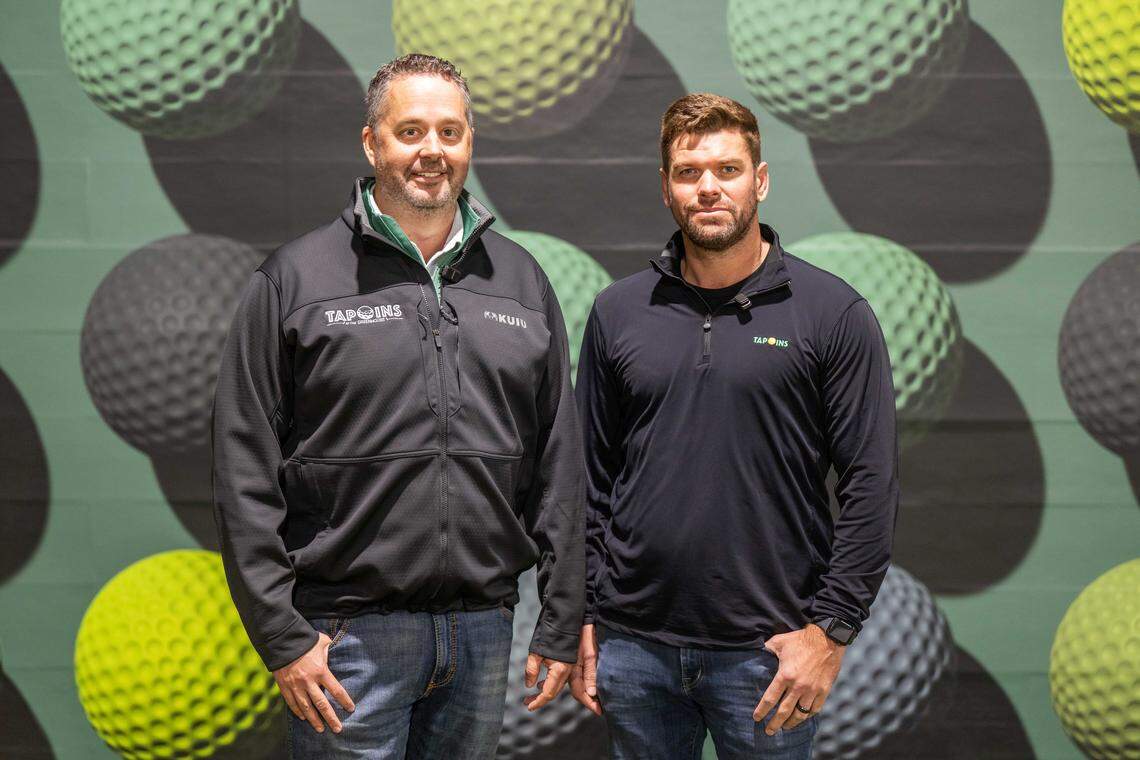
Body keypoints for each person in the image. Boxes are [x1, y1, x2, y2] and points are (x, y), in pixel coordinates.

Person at [211, 53, 584, 759]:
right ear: (371, 142)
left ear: (469, 141)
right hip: (345, 641)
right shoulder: (295, 280)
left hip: (482, 633)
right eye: (410, 131)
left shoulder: (521, 282)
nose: (431, 151)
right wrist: (282, 637)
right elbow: (242, 468)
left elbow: (558, 463)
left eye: (450, 131)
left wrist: (562, 617)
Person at [569, 93, 899, 759]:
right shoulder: (618, 312)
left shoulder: (832, 312)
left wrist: (829, 633)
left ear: (761, 180)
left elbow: (872, 485)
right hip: (634, 649)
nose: (708, 188)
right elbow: (588, 478)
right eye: (689, 172)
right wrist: (584, 613)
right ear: (666, 187)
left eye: (728, 169)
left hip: (770, 654)